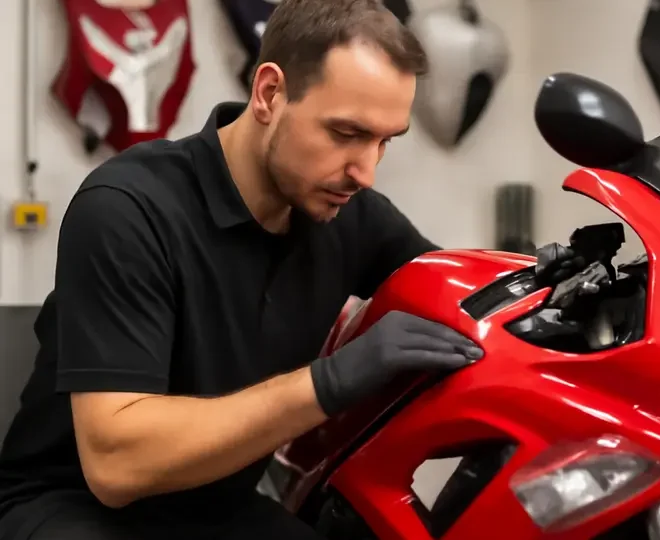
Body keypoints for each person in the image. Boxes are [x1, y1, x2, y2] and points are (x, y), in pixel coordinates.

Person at [0, 0, 493, 538]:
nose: (366, 172)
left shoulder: (345, 210)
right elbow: (118, 467)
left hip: (216, 507)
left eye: (384, 141)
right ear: (269, 93)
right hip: (76, 508)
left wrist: (547, 275)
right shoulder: (128, 208)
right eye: (346, 133)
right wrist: (330, 382)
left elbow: (459, 286)